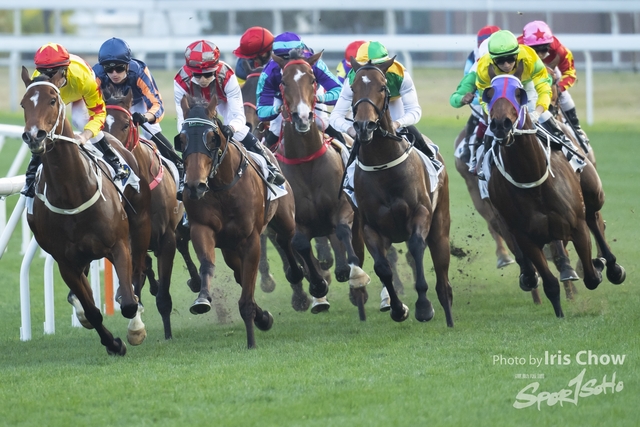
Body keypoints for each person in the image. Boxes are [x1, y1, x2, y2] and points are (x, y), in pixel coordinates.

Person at [21, 43, 126, 198]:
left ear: (64, 70)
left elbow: (99, 114)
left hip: (78, 92)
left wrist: (85, 136)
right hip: (52, 96)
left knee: (79, 120)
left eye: (53, 73)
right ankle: (31, 174)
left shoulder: (84, 80)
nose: (48, 78)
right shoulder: (39, 79)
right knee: (44, 126)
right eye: (44, 73)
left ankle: (114, 160)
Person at [174, 39, 285, 185]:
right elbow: (181, 120)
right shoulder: (180, 80)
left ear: (216, 68)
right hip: (195, 105)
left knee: (239, 132)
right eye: (197, 75)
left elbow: (239, 117)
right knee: (190, 136)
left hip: (222, 100)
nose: (202, 80)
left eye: (208, 74)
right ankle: (182, 177)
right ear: (190, 71)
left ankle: (269, 167)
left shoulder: (226, 75)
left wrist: (231, 128)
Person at [93, 37, 185, 198]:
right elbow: (89, 103)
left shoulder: (139, 71)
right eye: (109, 69)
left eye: (119, 68)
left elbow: (157, 104)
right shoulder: (96, 74)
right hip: (108, 107)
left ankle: (179, 165)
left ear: (128, 65)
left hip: (136, 104)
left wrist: (145, 117)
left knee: (151, 129)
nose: (114, 74)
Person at [329, 40, 435, 159]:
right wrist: (350, 129)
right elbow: (335, 116)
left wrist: (397, 123)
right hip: (365, 106)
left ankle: (431, 159)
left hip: (393, 102)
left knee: (404, 128)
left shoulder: (399, 74)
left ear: (386, 65)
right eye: (364, 68)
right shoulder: (352, 79)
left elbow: (414, 110)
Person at [475, 30, 568, 149]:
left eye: (510, 59)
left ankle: (567, 146)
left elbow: (544, 89)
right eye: (500, 61)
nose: (506, 65)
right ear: (492, 59)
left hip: (525, 84)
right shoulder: (483, 66)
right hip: (499, 90)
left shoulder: (529, 57)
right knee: (491, 128)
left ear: (517, 54)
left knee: (540, 113)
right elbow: (484, 98)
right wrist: (491, 113)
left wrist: (537, 112)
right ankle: (480, 157)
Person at [256, 31, 346, 147]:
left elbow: (340, 92)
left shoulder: (316, 64)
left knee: (321, 122)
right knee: (276, 129)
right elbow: (261, 110)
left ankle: (346, 150)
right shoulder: (269, 73)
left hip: (310, 93)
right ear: (277, 59)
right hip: (282, 97)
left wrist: (320, 98)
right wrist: (278, 109)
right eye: (284, 59)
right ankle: (265, 155)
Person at [518, 20, 589, 145]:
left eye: (544, 50)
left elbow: (570, 73)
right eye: (535, 50)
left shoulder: (561, 51)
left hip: (551, 74)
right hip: (526, 77)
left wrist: (559, 88)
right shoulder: (516, 49)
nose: (540, 55)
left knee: (565, 97)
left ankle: (576, 130)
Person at [450, 25, 500, 171]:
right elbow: (467, 81)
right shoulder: (474, 60)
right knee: (478, 113)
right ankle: (469, 149)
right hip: (482, 96)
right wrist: (468, 97)